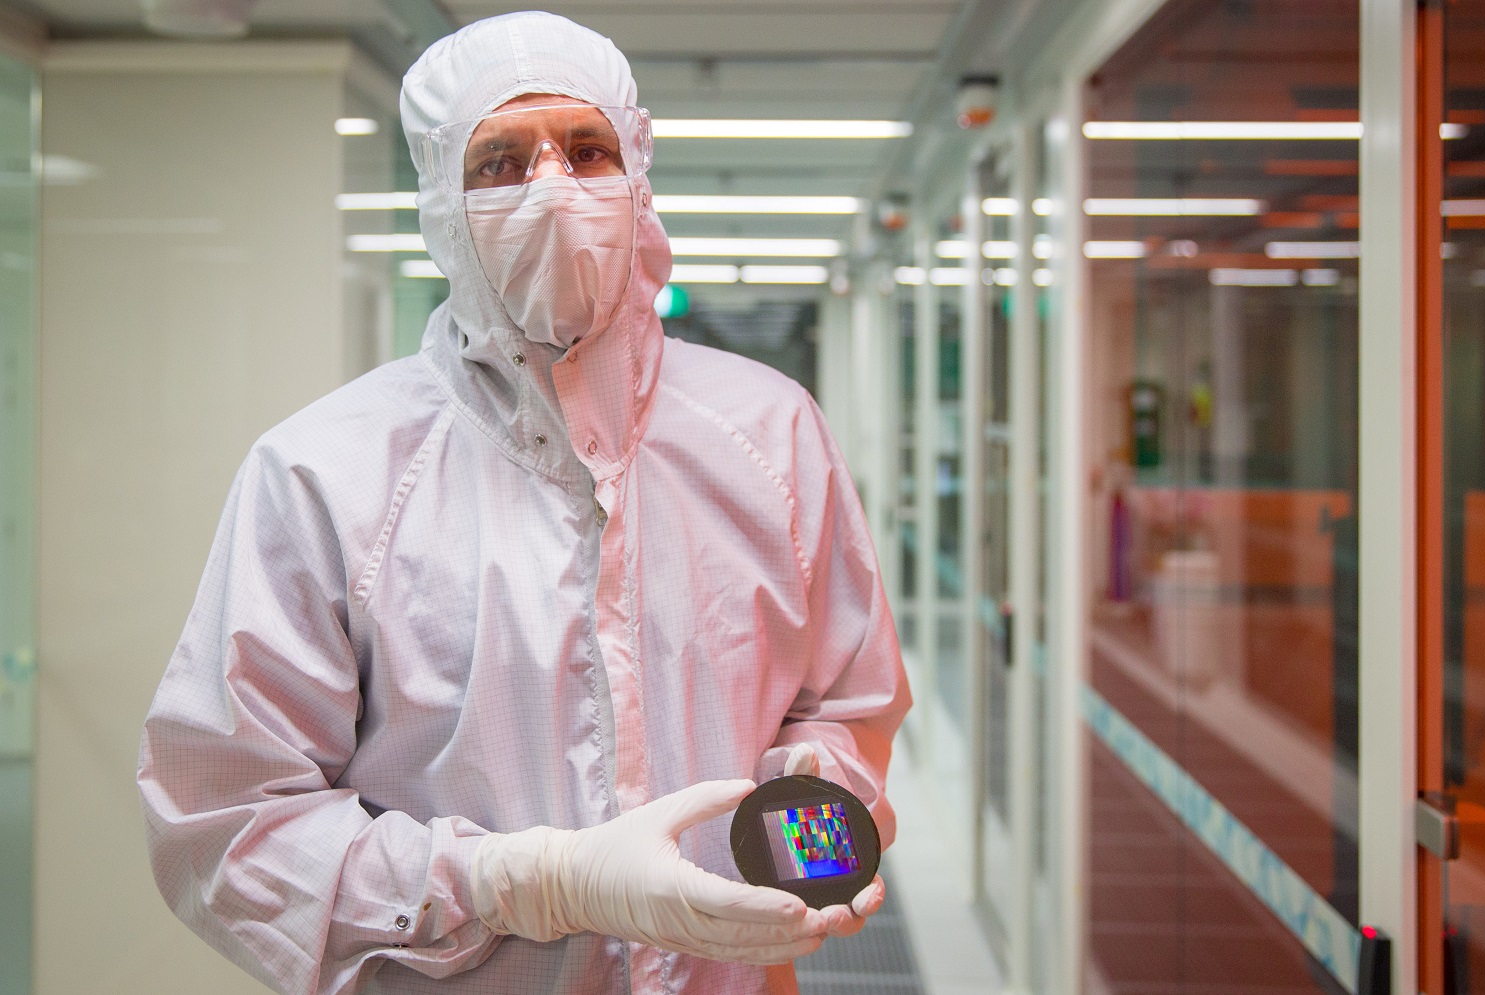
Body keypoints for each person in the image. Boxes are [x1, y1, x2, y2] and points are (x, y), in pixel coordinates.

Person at [136, 11, 909, 994]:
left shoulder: (771, 435)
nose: (553, 186)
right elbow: (227, 823)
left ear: (638, 180)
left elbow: (843, 698)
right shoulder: (323, 476)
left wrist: (814, 814)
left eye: (588, 149)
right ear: (441, 205)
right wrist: (525, 882)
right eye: (501, 159)